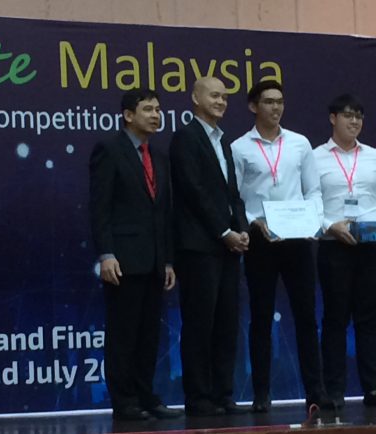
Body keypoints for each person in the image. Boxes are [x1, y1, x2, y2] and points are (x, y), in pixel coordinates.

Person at [231, 80, 325, 413]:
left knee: (306, 316)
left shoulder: (300, 143)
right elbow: (235, 197)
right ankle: (261, 394)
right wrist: (253, 221)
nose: (276, 107)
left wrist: (314, 221)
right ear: (253, 106)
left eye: (280, 101)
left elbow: (314, 190)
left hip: (298, 238)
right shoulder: (239, 148)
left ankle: (315, 391)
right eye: (269, 101)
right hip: (261, 241)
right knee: (260, 318)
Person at [88, 88, 183, 421]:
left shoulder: (159, 156)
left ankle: (146, 396)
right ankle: (124, 401)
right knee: (123, 335)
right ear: (128, 115)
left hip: (154, 261)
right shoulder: (109, 150)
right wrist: (106, 254)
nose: (156, 115)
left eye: (158, 109)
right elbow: (100, 207)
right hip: (123, 260)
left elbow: (164, 212)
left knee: (148, 336)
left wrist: (167, 259)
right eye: (148, 110)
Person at [169, 77, 251, 417]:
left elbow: (233, 194)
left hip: (228, 247)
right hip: (199, 247)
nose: (221, 102)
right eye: (214, 96)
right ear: (195, 98)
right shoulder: (185, 137)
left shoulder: (224, 141)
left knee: (226, 323)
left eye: (225, 97)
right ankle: (199, 397)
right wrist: (223, 231)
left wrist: (242, 229)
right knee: (200, 324)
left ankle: (223, 394)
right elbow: (194, 191)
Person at [313, 93, 376, 409]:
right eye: (348, 115)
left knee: (369, 318)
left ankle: (374, 388)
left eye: (359, 116)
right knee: (335, 320)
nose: (354, 121)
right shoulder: (315, 157)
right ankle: (334, 392)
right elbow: (310, 201)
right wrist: (329, 225)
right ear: (332, 118)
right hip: (334, 246)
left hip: (371, 247)